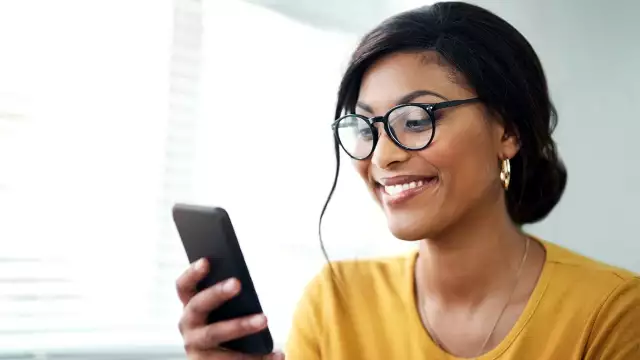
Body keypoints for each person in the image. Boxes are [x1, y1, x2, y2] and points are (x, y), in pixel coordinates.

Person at [175, 2, 640, 359]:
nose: (383, 155)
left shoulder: (613, 311)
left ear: (509, 131)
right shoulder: (336, 299)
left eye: (416, 119)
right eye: (366, 127)